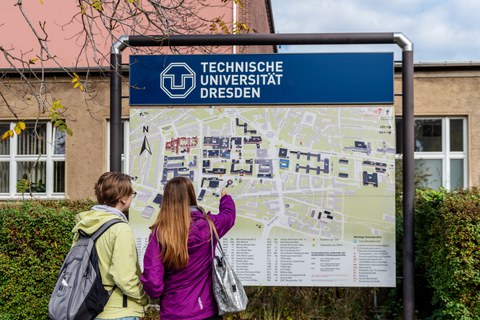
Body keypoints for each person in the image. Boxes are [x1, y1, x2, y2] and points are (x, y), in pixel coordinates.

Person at [141, 176, 236, 320]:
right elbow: (228, 216)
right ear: (191, 195)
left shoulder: (159, 234)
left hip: (174, 311)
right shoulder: (209, 226)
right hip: (206, 310)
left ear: (166, 200)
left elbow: (154, 284)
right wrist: (225, 199)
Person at [72, 172, 148, 320]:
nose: (133, 196)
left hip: (90, 308)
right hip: (120, 311)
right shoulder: (120, 228)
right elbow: (123, 277)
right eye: (132, 193)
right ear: (122, 198)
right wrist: (143, 297)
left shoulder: (84, 225)